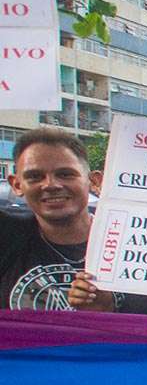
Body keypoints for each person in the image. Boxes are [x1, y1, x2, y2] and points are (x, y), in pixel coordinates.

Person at [1, 128, 101, 310]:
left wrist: (109, 310)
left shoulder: (133, 243)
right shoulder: (7, 238)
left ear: (93, 181)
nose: (50, 185)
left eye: (65, 174)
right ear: (16, 185)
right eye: (34, 177)